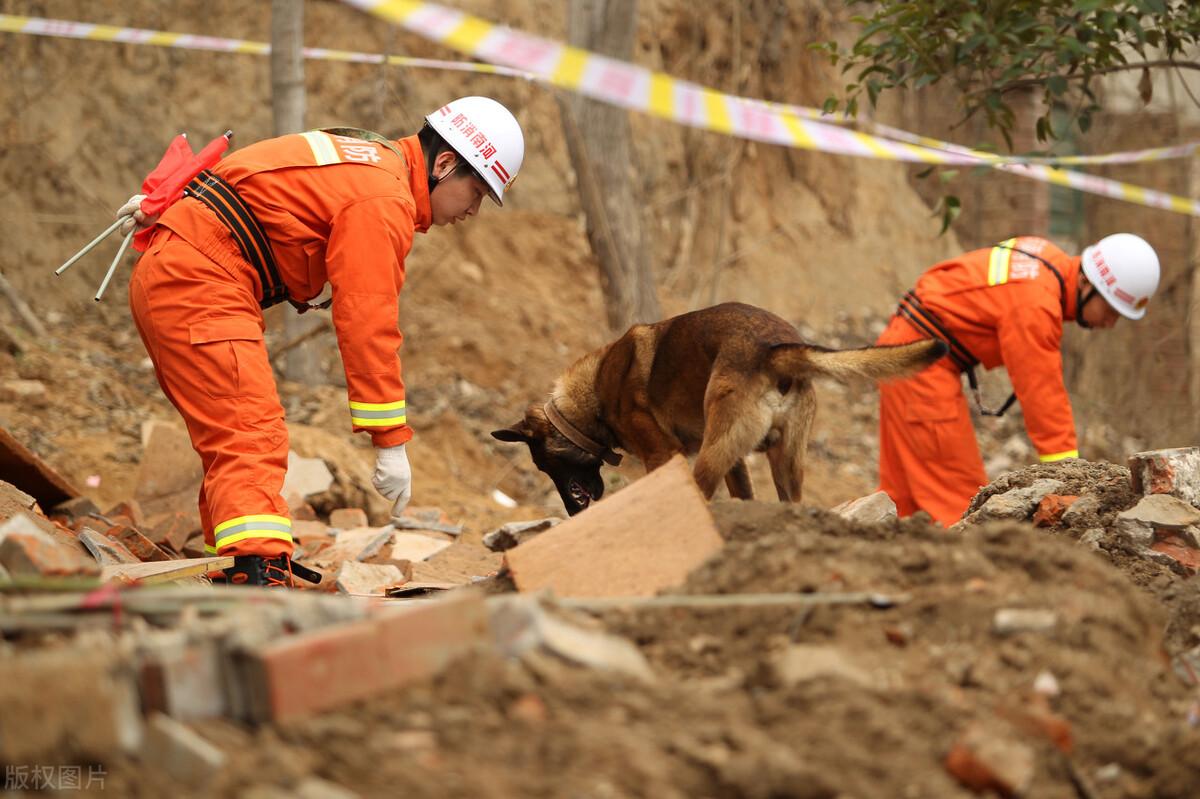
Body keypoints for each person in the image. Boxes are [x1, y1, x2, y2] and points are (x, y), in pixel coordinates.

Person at [119, 96, 524, 586]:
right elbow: (367, 319)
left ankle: (235, 566)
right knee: (250, 433)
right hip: (197, 278)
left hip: (184, 266)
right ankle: (258, 576)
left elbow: (257, 172)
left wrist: (168, 206)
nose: (474, 211)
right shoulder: (385, 197)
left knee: (233, 436)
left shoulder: (365, 158)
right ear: (443, 164)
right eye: (476, 192)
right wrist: (390, 440)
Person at [876, 233, 1160, 526]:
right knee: (959, 499)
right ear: (1087, 284)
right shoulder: (1036, 304)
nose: (1110, 323)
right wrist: (1071, 476)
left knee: (901, 495)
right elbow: (1042, 396)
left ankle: (885, 557)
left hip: (905, 352)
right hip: (919, 366)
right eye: (1111, 310)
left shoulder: (1045, 258)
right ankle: (969, 567)